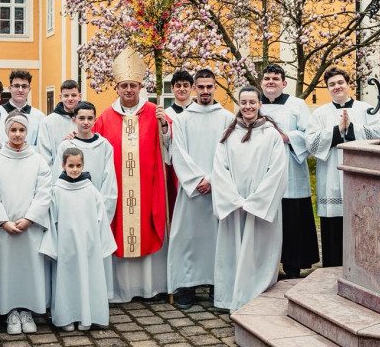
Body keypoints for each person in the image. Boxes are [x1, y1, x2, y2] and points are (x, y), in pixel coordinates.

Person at [92, 47, 173, 303]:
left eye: (133, 85)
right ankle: (122, 290)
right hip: (118, 190)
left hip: (148, 189)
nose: (129, 90)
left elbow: (168, 148)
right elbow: (93, 147)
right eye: (124, 85)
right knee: (120, 235)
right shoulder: (105, 117)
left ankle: (150, 288)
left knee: (148, 230)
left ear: (140, 87)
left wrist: (164, 126)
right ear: (117, 88)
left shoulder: (154, 112)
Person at [212, 86, 288, 312]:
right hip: (235, 206)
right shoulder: (228, 134)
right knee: (233, 251)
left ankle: (257, 294)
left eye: (252, 102)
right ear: (239, 104)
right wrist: (234, 199)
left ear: (259, 104)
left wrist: (256, 201)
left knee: (260, 250)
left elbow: (277, 171)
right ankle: (230, 296)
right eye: (243, 102)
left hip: (260, 206)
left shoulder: (271, 134)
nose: (248, 107)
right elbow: (219, 168)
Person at [305, 66, 380, 268]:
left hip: (360, 176)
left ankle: (361, 269)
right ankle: (331, 270)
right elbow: (312, 144)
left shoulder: (366, 109)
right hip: (331, 175)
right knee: (332, 227)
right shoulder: (319, 113)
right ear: (327, 88)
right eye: (332, 84)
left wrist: (352, 128)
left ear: (348, 84)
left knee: (362, 224)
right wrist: (336, 130)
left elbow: (378, 135)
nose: (336, 87)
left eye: (340, 82)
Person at [0, 112, 52, 335]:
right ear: (6, 131)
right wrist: (3, 222)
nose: (18, 134)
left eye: (22, 130)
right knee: (6, 269)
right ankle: (10, 311)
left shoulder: (38, 160)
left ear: (27, 131)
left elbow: (44, 192)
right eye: (13, 130)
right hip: (5, 229)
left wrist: (30, 218)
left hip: (29, 227)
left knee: (29, 269)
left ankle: (28, 309)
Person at [167, 68, 233, 309]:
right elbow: (178, 152)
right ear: (194, 88)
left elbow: (230, 152)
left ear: (216, 87)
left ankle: (218, 285)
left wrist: (213, 179)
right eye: (201, 86)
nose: (205, 91)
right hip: (191, 191)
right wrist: (197, 181)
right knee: (188, 239)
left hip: (218, 189)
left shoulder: (226, 117)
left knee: (218, 240)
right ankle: (187, 287)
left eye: (209, 86)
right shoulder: (183, 119)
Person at [40, 148, 117, 332]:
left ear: (83, 166)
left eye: (78, 166)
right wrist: (53, 245)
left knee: (88, 277)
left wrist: (100, 241)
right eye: (71, 165)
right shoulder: (57, 190)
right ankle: (67, 316)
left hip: (88, 243)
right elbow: (51, 219)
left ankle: (87, 316)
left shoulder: (91, 190)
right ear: (63, 166)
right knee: (66, 279)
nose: (75, 169)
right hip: (66, 243)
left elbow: (101, 217)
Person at [259, 64, 319, 279]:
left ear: (284, 83)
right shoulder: (254, 105)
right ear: (261, 83)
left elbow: (310, 134)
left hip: (291, 169)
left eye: (275, 78)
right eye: (267, 78)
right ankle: (267, 267)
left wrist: (287, 137)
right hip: (263, 172)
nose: (271, 81)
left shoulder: (297, 104)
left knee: (292, 222)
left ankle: (292, 266)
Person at [55, 101, 118, 296]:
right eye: (81, 118)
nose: (85, 122)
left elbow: (110, 179)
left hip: (95, 211)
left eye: (90, 118)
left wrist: (103, 212)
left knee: (95, 254)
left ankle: (97, 296)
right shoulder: (66, 145)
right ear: (73, 119)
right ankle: (73, 297)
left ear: (95, 119)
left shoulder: (104, 145)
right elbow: (57, 177)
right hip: (71, 213)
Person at [37, 79, 81, 168]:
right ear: (60, 97)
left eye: (73, 95)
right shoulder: (48, 122)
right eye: (66, 95)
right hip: (57, 175)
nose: (70, 99)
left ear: (80, 96)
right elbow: (44, 153)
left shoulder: (85, 120)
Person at [3, 69, 46, 146]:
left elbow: (41, 146)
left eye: (24, 86)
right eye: (16, 86)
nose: (20, 90)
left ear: (29, 89)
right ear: (10, 88)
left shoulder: (39, 117)